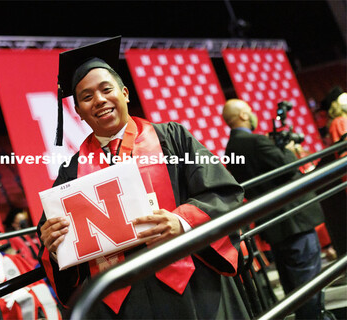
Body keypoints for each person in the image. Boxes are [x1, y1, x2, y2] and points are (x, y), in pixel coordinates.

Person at [37, 36, 247, 319]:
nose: (99, 100)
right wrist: (53, 245)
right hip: (123, 306)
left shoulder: (172, 139)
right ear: (79, 112)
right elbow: (57, 246)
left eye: (106, 89)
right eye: (86, 97)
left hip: (194, 288)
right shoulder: (71, 173)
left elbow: (223, 192)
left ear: (124, 93)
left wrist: (182, 222)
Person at [222, 98, 326, 319]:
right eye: (249, 110)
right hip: (294, 221)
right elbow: (288, 168)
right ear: (242, 115)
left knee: (294, 288)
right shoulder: (256, 142)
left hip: (275, 227)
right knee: (309, 286)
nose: (252, 114)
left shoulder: (231, 149)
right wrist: (288, 149)